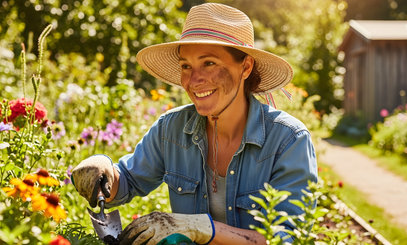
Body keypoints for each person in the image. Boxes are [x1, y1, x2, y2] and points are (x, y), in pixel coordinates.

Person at [72, 3, 318, 244]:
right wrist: (103, 170)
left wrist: (200, 228)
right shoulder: (172, 129)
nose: (194, 80)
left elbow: (288, 238)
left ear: (245, 67)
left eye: (209, 63)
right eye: (186, 66)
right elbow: (128, 181)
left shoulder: (288, 140)